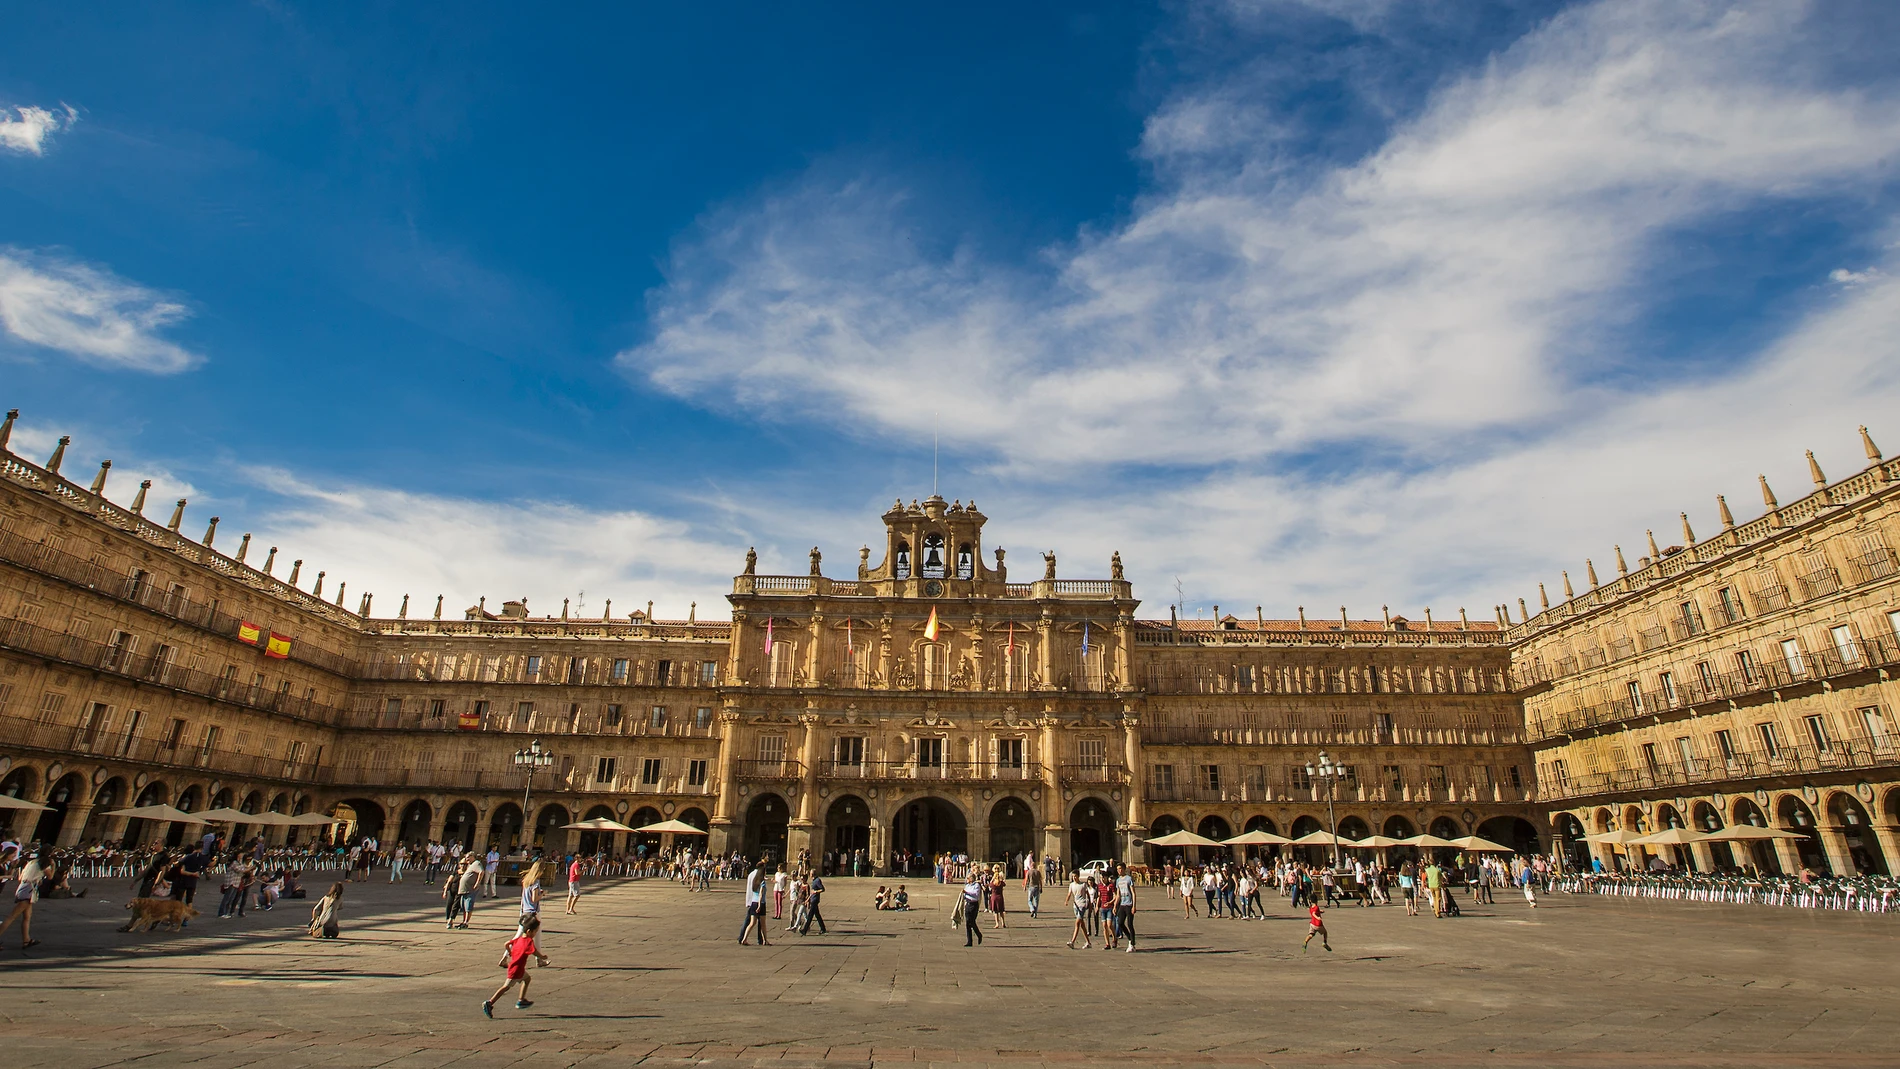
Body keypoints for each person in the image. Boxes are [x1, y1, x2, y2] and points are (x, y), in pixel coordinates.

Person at [484, 914, 550, 1017]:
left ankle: (521, 1000)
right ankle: (490, 1002)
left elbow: (506, 944)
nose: (535, 933)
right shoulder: (528, 941)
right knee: (506, 987)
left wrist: (510, 951)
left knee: (527, 979)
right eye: (535, 931)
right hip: (516, 969)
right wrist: (542, 956)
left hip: (516, 967)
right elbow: (534, 952)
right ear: (529, 931)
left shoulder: (518, 939)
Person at [0, 853, 43, 952]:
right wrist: (52, 866)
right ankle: (26, 940)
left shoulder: (31, 863)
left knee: (27, 916)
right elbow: (50, 876)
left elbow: (19, 877)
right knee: (12, 917)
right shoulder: (42, 864)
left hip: (24, 889)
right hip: (28, 891)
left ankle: (26, 940)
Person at [739, 860, 770, 945]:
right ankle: (764, 940)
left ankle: (744, 939)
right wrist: (760, 905)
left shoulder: (754, 880)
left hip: (753, 902)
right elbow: (760, 894)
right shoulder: (762, 882)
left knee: (751, 923)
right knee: (763, 924)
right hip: (760, 903)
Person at [1113, 862, 1138, 952]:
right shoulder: (1118, 880)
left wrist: (1134, 906)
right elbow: (1118, 895)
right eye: (1117, 869)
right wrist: (1115, 906)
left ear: (1124, 869)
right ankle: (1130, 939)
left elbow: (1133, 893)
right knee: (1120, 923)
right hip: (1122, 904)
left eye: (1120, 869)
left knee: (1130, 924)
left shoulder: (1129, 879)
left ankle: (1132, 944)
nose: (1118, 871)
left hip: (1129, 903)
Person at [1066, 872, 1091, 949]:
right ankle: (1088, 942)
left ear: (1078, 876)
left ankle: (1072, 942)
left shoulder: (1083, 885)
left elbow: (1088, 894)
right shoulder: (1071, 885)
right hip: (1075, 906)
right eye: (1073, 876)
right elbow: (1069, 894)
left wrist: (1089, 903)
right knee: (1082, 925)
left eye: (1075, 876)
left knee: (1077, 923)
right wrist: (1066, 901)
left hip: (1082, 905)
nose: (1074, 878)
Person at [960, 872, 984, 947]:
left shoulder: (976, 885)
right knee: (967, 923)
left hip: (974, 905)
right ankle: (969, 941)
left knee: (972, 921)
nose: (966, 880)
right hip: (968, 904)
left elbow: (975, 894)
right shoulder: (967, 886)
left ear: (971, 879)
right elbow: (964, 894)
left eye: (968, 878)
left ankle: (979, 934)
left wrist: (967, 892)